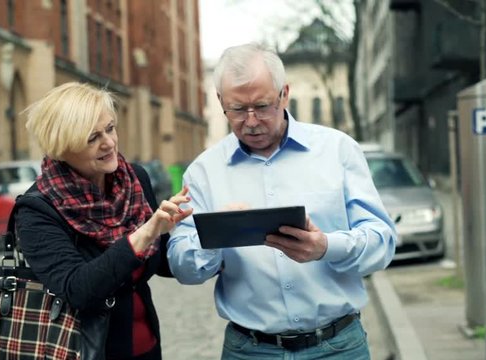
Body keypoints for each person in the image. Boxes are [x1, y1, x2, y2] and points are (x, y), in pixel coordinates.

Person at [167, 43, 397, 359]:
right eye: (236, 109)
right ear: (220, 101)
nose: (250, 121)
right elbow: (183, 268)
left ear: (284, 94)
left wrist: (326, 247)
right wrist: (216, 234)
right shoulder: (203, 172)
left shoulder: (338, 151)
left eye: (262, 106)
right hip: (249, 350)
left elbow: (382, 244)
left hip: (338, 347)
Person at [15, 82, 192, 359]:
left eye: (110, 128)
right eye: (92, 137)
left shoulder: (134, 179)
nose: (108, 143)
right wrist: (144, 234)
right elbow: (78, 290)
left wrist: (216, 233)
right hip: (85, 351)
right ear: (63, 146)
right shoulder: (37, 209)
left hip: (145, 345)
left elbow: (162, 261)